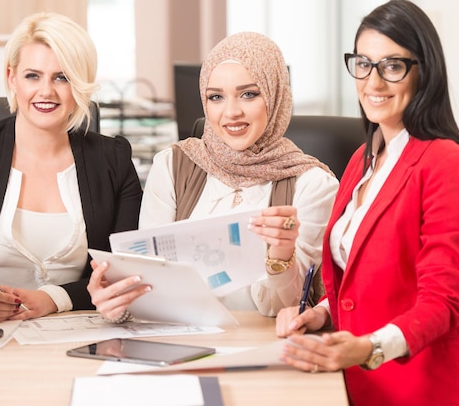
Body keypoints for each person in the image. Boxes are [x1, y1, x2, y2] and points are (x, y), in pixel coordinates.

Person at [275, 0, 459, 406]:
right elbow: (366, 275)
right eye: (363, 64)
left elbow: (442, 303)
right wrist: (323, 313)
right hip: (357, 380)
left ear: (423, 73)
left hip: (427, 387)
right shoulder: (363, 159)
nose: (372, 83)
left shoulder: (451, 168)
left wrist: (366, 349)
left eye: (392, 66)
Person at [88, 31, 339, 321]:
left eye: (249, 94)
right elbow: (148, 281)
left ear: (275, 95)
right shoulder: (172, 165)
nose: (231, 112)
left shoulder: (313, 184)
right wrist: (117, 303)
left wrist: (281, 254)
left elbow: (289, 306)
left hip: (262, 346)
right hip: (178, 339)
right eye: (216, 97)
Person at [0, 12, 142, 323]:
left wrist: (55, 297)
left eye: (62, 77)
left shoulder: (113, 160)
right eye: (32, 76)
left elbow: (126, 270)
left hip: (79, 336)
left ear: (79, 82)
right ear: (12, 78)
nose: (46, 92)